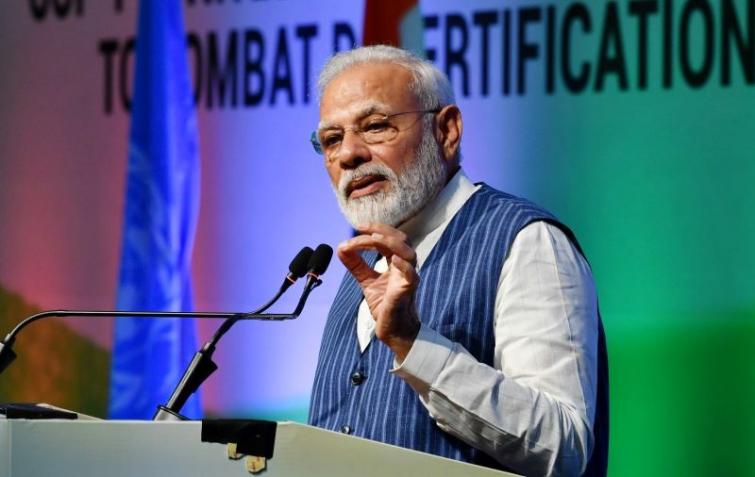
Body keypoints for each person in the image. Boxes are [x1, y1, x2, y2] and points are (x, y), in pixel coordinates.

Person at [307, 45, 608, 477]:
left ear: (446, 130)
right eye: (332, 140)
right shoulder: (361, 260)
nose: (349, 154)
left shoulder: (525, 241)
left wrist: (412, 343)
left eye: (375, 127)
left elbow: (563, 445)